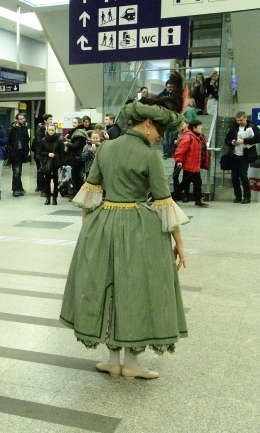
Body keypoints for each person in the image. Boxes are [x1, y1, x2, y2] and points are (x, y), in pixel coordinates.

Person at [60, 72, 189, 381]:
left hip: (102, 224)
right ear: (146, 124)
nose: (160, 136)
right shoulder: (150, 156)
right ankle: (132, 363)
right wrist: (180, 244)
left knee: (110, 289)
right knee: (137, 290)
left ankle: (113, 359)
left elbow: (89, 197)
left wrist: (87, 235)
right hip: (138, 229)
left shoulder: (105, 148)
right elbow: (164, 203)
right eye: (159, 130)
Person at [224, 111, 260, 204]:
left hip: (245, 155)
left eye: (241, 120)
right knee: (234, 176)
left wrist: (244, 141)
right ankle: (238, 196)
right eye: (237, 120)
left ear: (245, 118)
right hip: (235, 154)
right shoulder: (234, 127)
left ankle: (247, 196)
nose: (239, 122)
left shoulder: (252, 126)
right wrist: (231, 142)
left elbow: (258, 138)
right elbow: (227, 140)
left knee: (243, 175)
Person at [175, 120, 208, 207]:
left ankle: (173, 198)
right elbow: (180, 150)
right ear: (194, 128)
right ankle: (197, 201)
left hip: (194, 165)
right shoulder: (189, 137)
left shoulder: (196, 137)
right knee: (193, 183)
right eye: (199, 126)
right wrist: (179, 160)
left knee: (190, 183)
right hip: (190, 165)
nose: (201, 128)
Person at [64, 117, 88, 197]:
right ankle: (77, 192)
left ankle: (78, 193)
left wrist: (67, 143)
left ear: (79, 123)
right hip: (76, 157)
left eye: (75, 123)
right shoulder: (77, 132)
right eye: (73, 122)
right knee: (75, 176)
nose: (73, 124)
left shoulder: (79, 134)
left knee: (77, 176)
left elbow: (75, 146)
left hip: (77, 158)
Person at [7, 113, 30, 197]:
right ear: (16, 120)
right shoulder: (11, 129)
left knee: (19, 171)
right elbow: (8, 141)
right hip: (14, 153)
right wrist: (11, 151)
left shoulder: (24, 128)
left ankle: (19, 187)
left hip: (22, 153)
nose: (22, 120)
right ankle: (15, 189)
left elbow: (27, 139)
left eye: (23, 118)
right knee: (16, 172)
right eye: (20, 119)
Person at [40, 124, 63, 205]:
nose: (51, 131)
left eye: (52, 130)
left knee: (56, 181)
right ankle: (47, 198)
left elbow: (62, 153)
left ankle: (55, 198)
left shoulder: (59, 140)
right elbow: (39, 152)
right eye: (49, 130)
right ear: (47, 130)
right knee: (47, 181)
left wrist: (62, 164)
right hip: (47, 163)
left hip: (56, 163)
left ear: (55, 130)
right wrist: (47, 154)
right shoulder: (43, 140)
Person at [32, 114, 53, 193]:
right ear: (45, 121)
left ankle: (43, 186)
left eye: (51, 119)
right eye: (49, 119)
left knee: (45, 170)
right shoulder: (40, 129)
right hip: (40, 154)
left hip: (47, 153)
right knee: (40, 170)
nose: (51, 120)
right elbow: (39, 141)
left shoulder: (50, 128)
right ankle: (40, 186)